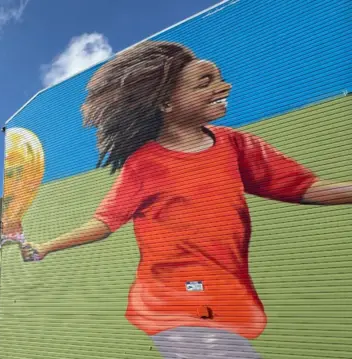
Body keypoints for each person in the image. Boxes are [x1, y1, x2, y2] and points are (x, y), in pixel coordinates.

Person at [20, 41, 352, 358]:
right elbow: (105, 222)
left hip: (228, 298)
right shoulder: (144, 164)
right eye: (205, 82)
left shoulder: (235, 145)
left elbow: (303, 188)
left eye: (220, 78)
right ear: (166, 103)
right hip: (174, 304)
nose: (225, 87)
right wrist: (47, 246)